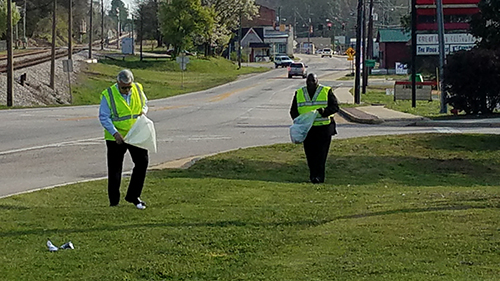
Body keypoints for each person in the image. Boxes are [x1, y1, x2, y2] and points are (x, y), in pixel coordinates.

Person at [99, 69, 149, 209]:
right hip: (116, 137)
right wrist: (115, 134)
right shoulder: (108, 94)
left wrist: (143, 112)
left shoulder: (138, 89)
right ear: (118, 83)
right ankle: (114, 201)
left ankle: (134, 195)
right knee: (115, 168)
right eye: (123, 88)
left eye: (128, 87)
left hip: (134, 133)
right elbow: (104, 116)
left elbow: (145, 103)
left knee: (142, 162)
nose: (126, 90)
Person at [289, 73, 339, 184]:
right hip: (308, 129)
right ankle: (312, 175)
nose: (311, 83)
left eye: (313, 81)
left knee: (321, 154)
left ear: (317, 81)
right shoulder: (299, 93)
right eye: (309, 81)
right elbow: (293, 111)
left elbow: (335, 107)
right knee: (310, 154)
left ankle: (319, 177)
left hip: (324, 128)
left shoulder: (326, 91)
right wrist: (301, 121)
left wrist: (324, 112)